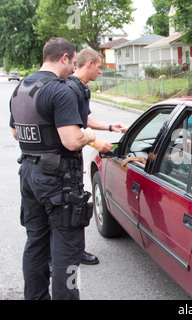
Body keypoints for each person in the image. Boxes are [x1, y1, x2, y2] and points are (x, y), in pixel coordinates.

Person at [9, 37, 95, 300]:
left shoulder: (22, 87)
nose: (73, 68)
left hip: (29, 175)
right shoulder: (60, 91)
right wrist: (89, 134)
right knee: (67, 252)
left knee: (35, 244)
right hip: (58, 182)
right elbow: (71, 140)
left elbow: (16, 133)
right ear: (65, 58)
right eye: (73, 60)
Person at [66, 48, 127, 265]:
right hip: (67, 156)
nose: (101, 71)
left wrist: (111, 126)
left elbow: (85, 119)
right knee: (72, 207)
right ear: (89, 64)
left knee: (78, 204)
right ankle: (70, 255)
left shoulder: (82, 89)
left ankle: (75, 251)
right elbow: (70, 129)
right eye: (100, 67)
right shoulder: (69, 89)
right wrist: (95, 143)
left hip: (74, 158)